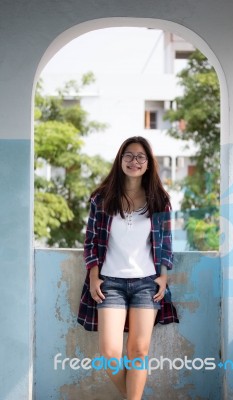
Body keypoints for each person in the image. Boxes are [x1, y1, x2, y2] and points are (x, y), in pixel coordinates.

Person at [77, 136, 178, 400]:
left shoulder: (159, 200)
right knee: (110, 353)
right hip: (110, 283)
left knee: (138, 352)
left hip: (147, 284)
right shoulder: (102, 198)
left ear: (148, 163)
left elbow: (166, 243)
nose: (134, 161)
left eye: (140, 157)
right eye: (129, 156)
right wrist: (94, 275)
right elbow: (91, 240)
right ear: (120, 159)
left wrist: (164, 277)